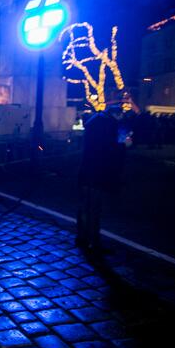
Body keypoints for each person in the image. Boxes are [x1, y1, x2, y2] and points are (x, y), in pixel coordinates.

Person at [77, 105, 126, 255]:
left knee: (85, 207)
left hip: (86, 169)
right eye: (120, 115)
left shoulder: (94, 120)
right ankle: (94, 242)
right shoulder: (109, 124)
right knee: (94, 209)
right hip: (98, 171)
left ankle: (82, 238)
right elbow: (110, 149)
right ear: (115, 114)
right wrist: (124, 145)